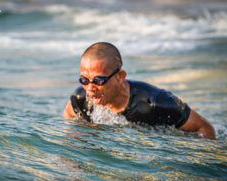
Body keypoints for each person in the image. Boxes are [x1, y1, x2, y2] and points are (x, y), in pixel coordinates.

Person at [63, 42, 215, 139]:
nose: (90, 88)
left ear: (120, 77)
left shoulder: (155, 103)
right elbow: (68, 122)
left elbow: (205, 128)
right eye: (84, 80)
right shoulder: (80, 99)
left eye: (99, 81)